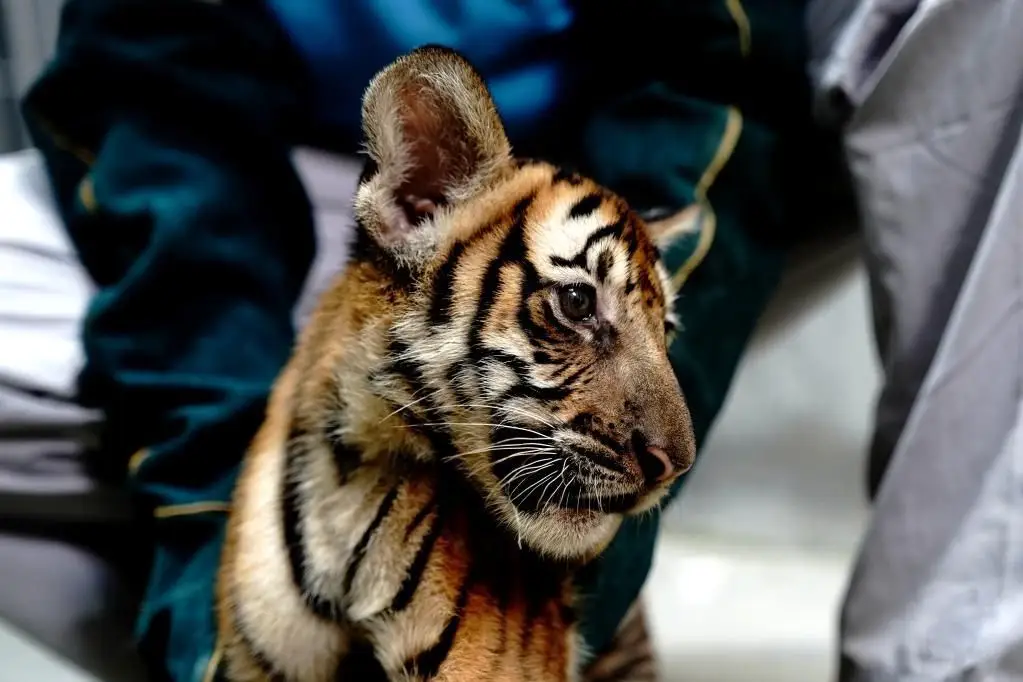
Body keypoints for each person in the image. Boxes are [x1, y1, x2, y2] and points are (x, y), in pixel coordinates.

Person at [21, 0, 823, 679]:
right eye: (573, 311)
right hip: (313, 181)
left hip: (648, 180)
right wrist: (211, 527)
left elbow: (721, 76)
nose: (670, 454)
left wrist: (549, 596)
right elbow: (149, 94)